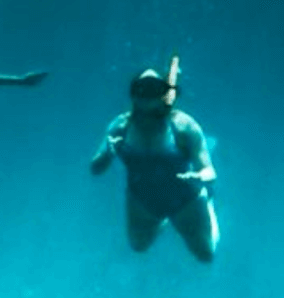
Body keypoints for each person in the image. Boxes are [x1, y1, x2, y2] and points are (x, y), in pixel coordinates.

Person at [89, 66, 218, 263]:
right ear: (133, 94)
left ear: (163, 94)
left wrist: (200, 177)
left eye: (153, 89)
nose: (147, 97)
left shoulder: (183, 125)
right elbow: (95, 169)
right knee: (138, 245)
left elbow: (210, 171)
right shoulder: (120, 127)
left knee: (206, 255)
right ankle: (164, 220)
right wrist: (107, 153)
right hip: (143, 200)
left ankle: (207, 201)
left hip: (185, 199)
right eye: (142, 89)